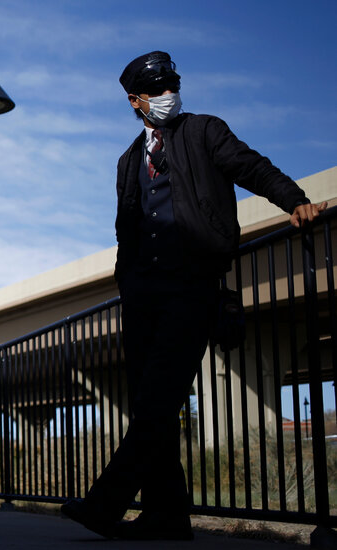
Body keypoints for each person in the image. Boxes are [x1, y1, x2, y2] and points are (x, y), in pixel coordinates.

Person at [60, 51, 327, 541]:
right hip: (143, 297)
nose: (167, 96)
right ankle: (167, 516)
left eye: (171, 86)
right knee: (147, 404)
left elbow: (252, 167)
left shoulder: (204, 131)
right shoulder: (126, 163)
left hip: (192, 287)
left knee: (160, 398)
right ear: (134, 101)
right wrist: (127, 282)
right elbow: (127, 231)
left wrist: (295, 200)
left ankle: (105, 504)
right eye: (156, 90)